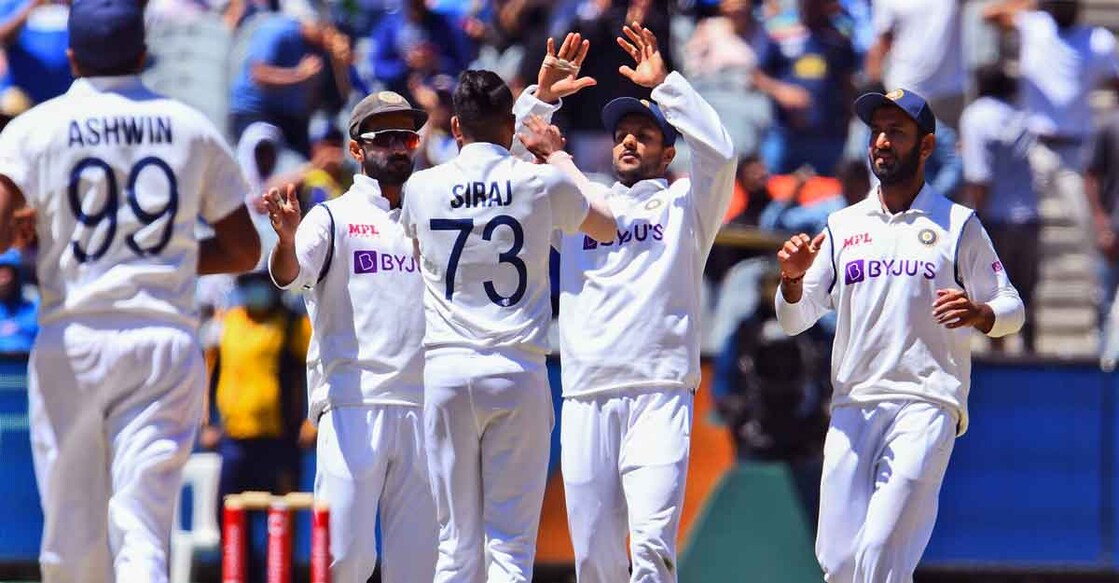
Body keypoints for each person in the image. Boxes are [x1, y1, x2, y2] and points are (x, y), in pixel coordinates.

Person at [0, 0, 261, 579]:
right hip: (165, 339)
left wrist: (30, 236)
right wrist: (162, 261)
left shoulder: (32, 129)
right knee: (142, 527)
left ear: (71, 57)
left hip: (74, 340)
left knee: (70, 532)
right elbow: (245, 250)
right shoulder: (191, 126)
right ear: (143, 54)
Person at [774, 88, 1024, 583]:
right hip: (852, 404)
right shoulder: (842, 225)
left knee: (880, 549)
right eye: (877, 132)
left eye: (897, 132)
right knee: (841, 564)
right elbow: (793, 319)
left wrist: (979, 312)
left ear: (926, 146)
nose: (882, 142)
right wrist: (793, 280)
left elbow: (1012, 307)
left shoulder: (957, 224)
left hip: (927, 400)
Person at [516, 23, 736, 583]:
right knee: (593, 559)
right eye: (622, 134)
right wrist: (540, 95)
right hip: (586, 391)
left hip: (659, 392)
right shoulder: (575, 197)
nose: (629, 141)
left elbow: (721, 154)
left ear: (668, 152)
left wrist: (667, 86)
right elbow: (503, 170)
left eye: (644, 133)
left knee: (654, 549)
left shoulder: (687, 206)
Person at [399, 66, 616, 582]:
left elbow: (417, 253)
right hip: (516, 368)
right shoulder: (541, 183)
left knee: (455, 546)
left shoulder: (421, 187)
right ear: (511, 129)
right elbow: (605, 227)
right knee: (511, 546)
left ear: (455, 129)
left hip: (446, 370)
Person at [265, 90, 438, 583]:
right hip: (353, 406)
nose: (398, 147)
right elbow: (292, 274)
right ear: (357, 150)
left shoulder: (431, 215)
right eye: (383, 138)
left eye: (406, 136)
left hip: (424, 407)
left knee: (417, 568)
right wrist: (284, 240)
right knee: (345, 560)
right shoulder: (332, 216)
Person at [960, 64, 1039, 354]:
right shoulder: (1020, 114)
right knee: (1026, 294)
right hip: (1029, 216)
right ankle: (1031, 355)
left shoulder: (976, 116)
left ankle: (999, 362)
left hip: (996, 218)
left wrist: (974, 220)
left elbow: (980, 176)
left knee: (995, 295)